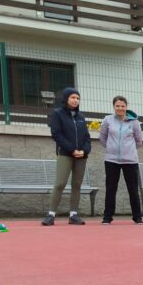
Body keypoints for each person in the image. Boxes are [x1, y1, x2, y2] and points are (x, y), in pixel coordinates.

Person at [43, 87, 91, 226]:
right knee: (60, 184)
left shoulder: (81, 117)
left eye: (77, 98)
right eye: (72, 97)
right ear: (66, 99)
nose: (75, 100)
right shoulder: (57, 114)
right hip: (66, 154)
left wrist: (84, 151)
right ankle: (51, 215)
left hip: (81, 156)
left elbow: (87, 137)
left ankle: (73, 215)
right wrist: (72, 150)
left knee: (77, 185)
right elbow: (56, 134)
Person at [99, 95, 143, 225]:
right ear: (114, 106)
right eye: (117, 106)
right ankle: (107, 217)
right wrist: (111, 148)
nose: (120, 108)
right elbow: (102, 138)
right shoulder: (107, 120)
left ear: (126, 107)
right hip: (111, 160)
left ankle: (137, 217)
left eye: (123, 106)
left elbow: (139, 141)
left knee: (133, 189)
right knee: (111, 189)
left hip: (130, 161)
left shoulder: (134, 122)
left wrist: (129, 151)